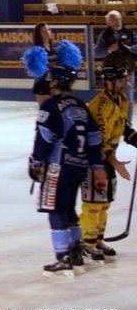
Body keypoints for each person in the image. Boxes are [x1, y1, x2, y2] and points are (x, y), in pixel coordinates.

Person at [26, 40, 106, 277]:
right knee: (70, 209)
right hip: (79, 166)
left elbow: (44, 137)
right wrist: (96, 165)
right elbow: (94, 138)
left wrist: (36, 162)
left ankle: (63, 257)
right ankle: (77, 252)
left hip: (58, 166)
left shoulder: (51, 106)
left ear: (55, 82)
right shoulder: (81, 105)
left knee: (56, 210)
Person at [82, 65, 136, 261]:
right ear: (109, 82)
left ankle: (97, 240)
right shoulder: (99, 105)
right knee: (93, 204)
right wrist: (115, 162)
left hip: (107, 159)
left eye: (124, 80)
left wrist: (132, 136)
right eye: (121, 80)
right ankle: (87, 243)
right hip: (94, 160)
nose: (125, 83)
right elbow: (97, 140)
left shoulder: (122, 100)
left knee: (104, 203)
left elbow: (121, 124)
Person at [94, 10, 137, 121]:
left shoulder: (130, 33)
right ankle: (113, 123)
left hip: (127, 70)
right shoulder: (104, 35)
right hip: (110, 72)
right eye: (113, 20)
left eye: (118, 19)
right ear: (108, 22)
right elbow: (97, 52)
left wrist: (131, 48)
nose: (117, 22)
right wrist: (109, 49)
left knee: (128, 98)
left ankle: (127, 126)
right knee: (111, 98)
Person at [23, 22, 57, 107]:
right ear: (39, 34)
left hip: (54, 84)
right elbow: (36, 69)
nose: (47, 33)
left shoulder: (52, 47)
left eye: (48, 30)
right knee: (45, 111)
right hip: (42, 84)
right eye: (44, 31)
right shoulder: (37, 50)